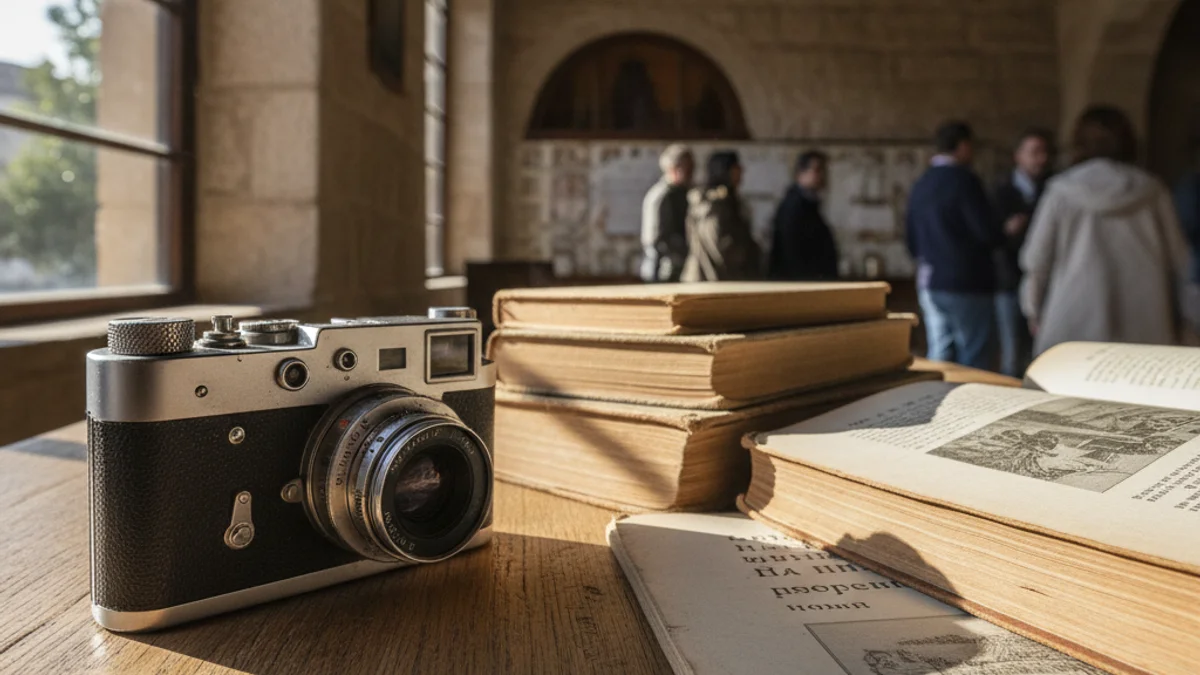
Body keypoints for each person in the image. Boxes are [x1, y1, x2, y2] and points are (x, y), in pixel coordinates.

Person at [1021, 106, 1188, 355]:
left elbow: (1037, 260)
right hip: (1144, 324)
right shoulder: (1153, 191)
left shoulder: (1061, 191)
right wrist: (1187, 318)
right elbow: (1180, 262)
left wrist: (1033, 309)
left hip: (1073, 326)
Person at [906, 121, 1002, 370]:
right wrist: (1006, 230)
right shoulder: (964, 181)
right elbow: (985, 232)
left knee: (940, 354)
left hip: (931, 281)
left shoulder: (921, 183)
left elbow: (910, 239)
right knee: (974, 358)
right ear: (963, 146)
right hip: (966, 281)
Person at [991, 128, 1054, 377]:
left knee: (1042, 356)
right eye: (1034, 152)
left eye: (1044, 153)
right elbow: (987, 238)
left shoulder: (1052, 190)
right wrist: (1006, 230)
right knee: (1012, 355)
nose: (1041, 159)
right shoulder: (1000, 191)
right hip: (1009, 281)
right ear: (1019, 156)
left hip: (1046, 284)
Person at [681, 151, 761, 281]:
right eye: (736, 169)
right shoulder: (714, 205)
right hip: (712, 279)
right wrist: (750, 252)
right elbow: (719, 246)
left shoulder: (726, 201)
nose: (741, 173)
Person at [768, 150, 839, 281]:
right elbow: (791, 254)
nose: (822, 175)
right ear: (801, 173)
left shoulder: (808, 204)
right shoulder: (793, 206)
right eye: (817, 170)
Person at [640, 144, 694, 282]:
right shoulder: (661, 196)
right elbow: (657, 239)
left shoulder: (684, 193)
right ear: (673, 169)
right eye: (686, 169)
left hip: (679, 267)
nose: (690, 174)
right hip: (663, 271)